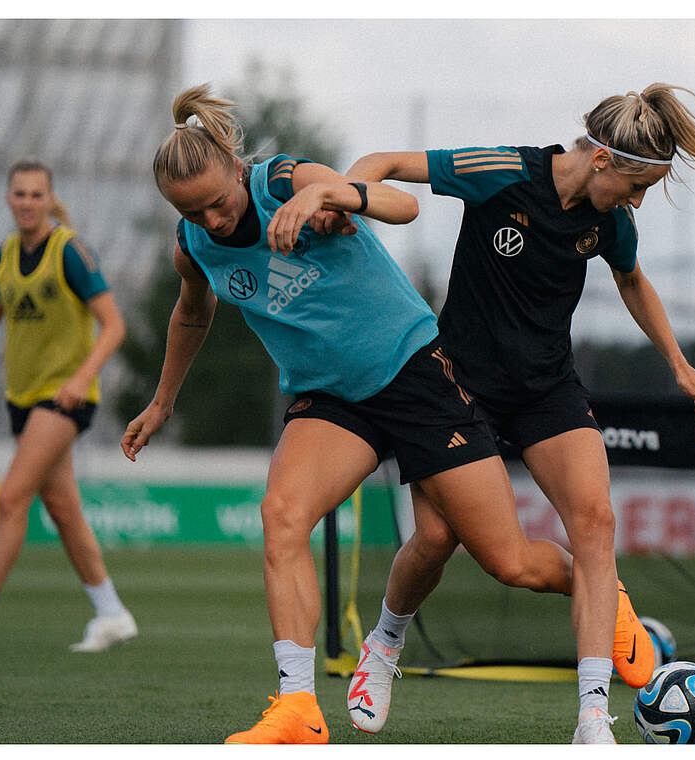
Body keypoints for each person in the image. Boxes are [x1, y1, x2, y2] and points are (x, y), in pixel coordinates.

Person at [119, 84, 647, 745]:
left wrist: (332, 194)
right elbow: (192, 311)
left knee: (506, 561)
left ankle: (602, 593)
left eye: (219, 202)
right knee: (281, 514)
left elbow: (400, 203)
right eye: (193, 212)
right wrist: (163, 400)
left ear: (235, 168)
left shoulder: (284, 180)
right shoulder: (195, 243)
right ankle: (297, 708)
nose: (215, 221)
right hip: (330, 397)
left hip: (414, 372)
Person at [345, 82, 695, 742]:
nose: (637, 203)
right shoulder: (501, 172)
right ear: (600, 162)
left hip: (547, 389)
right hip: (457, 389)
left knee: (596, 522)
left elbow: (630, 277)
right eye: (636, 186)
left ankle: (593, 718)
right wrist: (344, 207)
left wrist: (679, 364)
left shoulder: (611, 218)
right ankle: (385, 645)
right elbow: (384, 163)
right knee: (448, 545)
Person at [0, 159, 136, 654]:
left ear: (49, 199)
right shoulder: (0, 258)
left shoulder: (69, 251)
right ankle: (112, 613)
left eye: (36, 194)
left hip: (64, 398)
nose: (26, 202)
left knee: (11, 498)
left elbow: (113, 325)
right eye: (19, 194)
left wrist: (81, 378)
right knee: (63, 508)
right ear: (8, 198)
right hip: (22, 399)